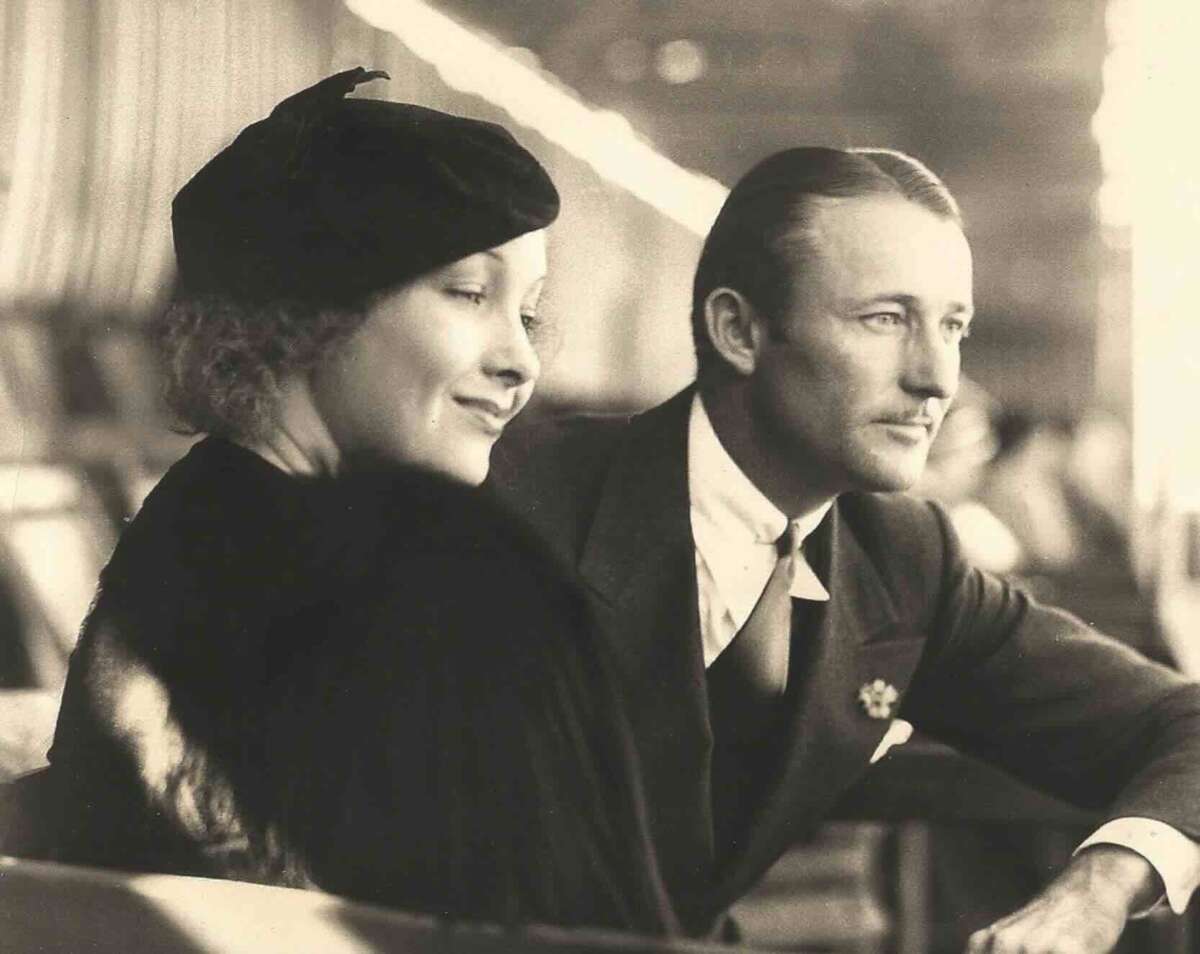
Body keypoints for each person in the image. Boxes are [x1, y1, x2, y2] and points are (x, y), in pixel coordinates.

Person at [491, 146, 1200, 952]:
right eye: (886, 320)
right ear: (739, 331)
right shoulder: (508, 503)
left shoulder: (902, 561)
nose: (937, 378)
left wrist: (1101, 885)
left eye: (954, 327)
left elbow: (1186, 722)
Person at [37, 68, 675, 936]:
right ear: (308, 310)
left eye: (526, 313)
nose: (521, 362)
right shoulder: (378, 585)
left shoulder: (202, 525)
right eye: (468, 294)